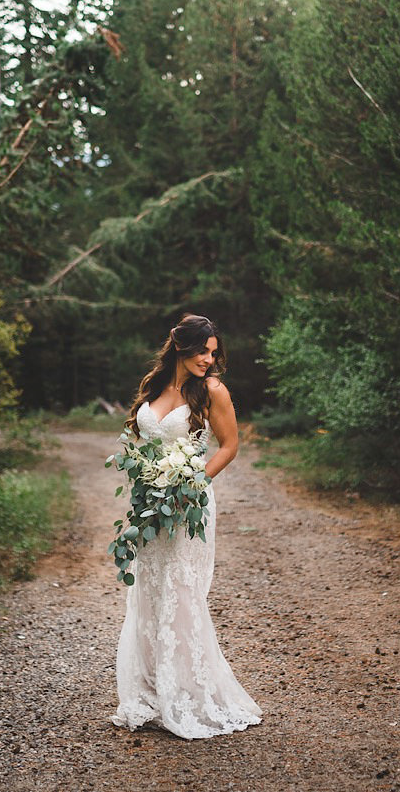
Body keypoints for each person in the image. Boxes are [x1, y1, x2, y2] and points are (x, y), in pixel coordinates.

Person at [108, 314, 263, 739]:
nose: (208, 359)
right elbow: (139, 443)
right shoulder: (154, 387)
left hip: (189, 501)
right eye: (202, 350)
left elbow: (229, 445)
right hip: (150, 503)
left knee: (180, 589)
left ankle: (190, 695)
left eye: (213, 352)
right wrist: (144, 486)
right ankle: (154, 691)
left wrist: (191, 482)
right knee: (150, 587)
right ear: (180, 346)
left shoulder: (212, 390)